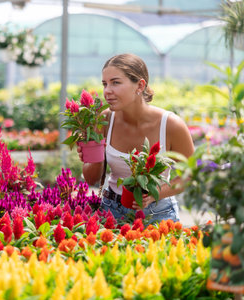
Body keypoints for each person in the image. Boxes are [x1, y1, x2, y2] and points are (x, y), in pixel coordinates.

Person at [78, 53, 194, 223]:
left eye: (115, 82)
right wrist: (94, 155)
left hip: (158, 214)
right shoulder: (104, 120)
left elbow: (190, 176)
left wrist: (155, 195)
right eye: (105, 84)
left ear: (140, 86)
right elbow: (91, 179)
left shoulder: (171, 125)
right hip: (111, 212)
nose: (107, 91)